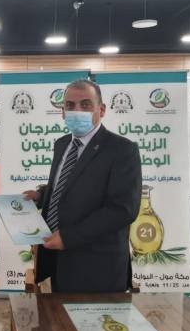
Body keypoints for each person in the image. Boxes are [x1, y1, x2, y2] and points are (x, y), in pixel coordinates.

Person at [24, 79, 142, 293]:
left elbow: (123, 209)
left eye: (85, 104)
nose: (77, 110)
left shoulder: (122, 150)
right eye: (70, 105)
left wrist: (69, 237)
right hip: (57, 259)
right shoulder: (62, 144)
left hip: (97, 267)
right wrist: (41, 195)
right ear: (62, 112)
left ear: (101, 110)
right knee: (59, 315)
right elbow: (68, 185)